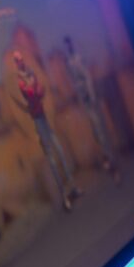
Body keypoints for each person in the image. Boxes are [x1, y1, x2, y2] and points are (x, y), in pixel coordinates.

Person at [11, 50, 80, 211]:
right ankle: (64, 195)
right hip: (37, 119)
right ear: (16, 63)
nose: (21, 62)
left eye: (21, 59)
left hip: (43, 114)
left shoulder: (29, 74)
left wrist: (36, 88)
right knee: (52, 158)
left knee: (60, 152)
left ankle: (73, 187)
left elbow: (40, 91)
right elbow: (30, 93)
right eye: (18, 60)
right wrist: (34, 88)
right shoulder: (20, 80)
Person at [63, 36, 120, 182]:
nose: (68, 47)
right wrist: (81, 97)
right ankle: (108, 160)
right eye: (66, 45)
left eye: (69, 44)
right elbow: (75, 81)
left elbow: (86, 77)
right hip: (85, 97)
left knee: (101, 129)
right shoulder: (70, 62)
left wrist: (91, 94)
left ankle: (111, 160)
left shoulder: (76, 58)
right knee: (96, 130)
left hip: (90, 96)